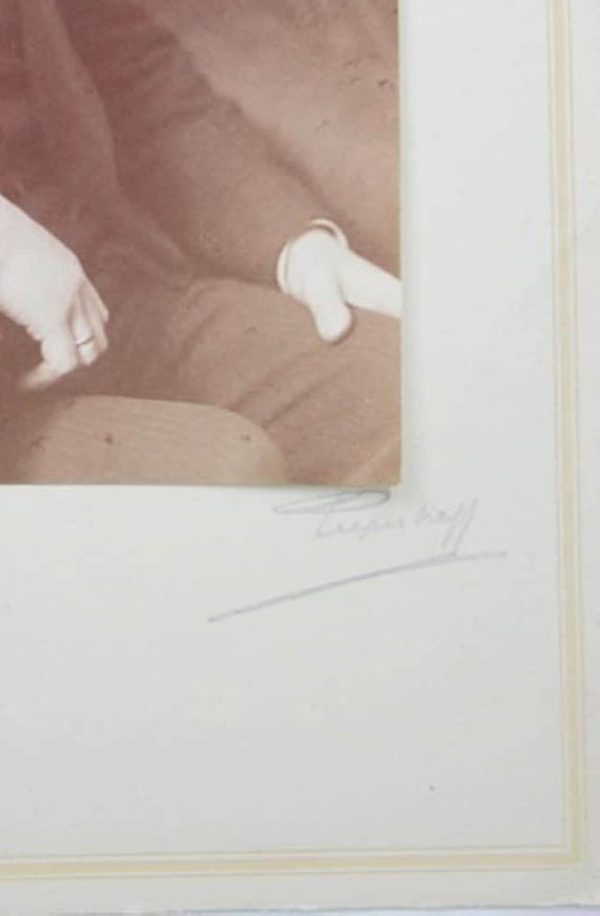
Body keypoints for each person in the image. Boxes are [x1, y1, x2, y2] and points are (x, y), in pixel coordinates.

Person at [0, 0, 401, 484]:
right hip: (13, 399)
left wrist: (293, 244)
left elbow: (140, 86)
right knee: (228, 473)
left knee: (405, 389)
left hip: (117, 300)